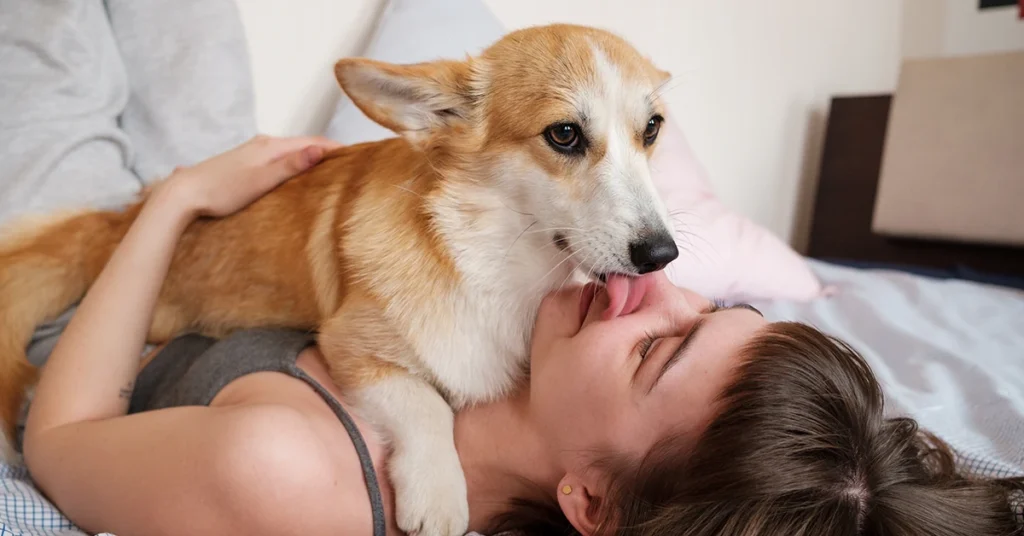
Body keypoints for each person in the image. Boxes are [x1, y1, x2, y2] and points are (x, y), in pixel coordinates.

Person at [19, 136, 1023, 536]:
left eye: (652, 350)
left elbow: (61, 441)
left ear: (588, 497)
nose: (651, 289)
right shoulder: (513, 346)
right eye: (711, 309)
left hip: (96, 295)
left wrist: (177, 201)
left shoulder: (291, 473)